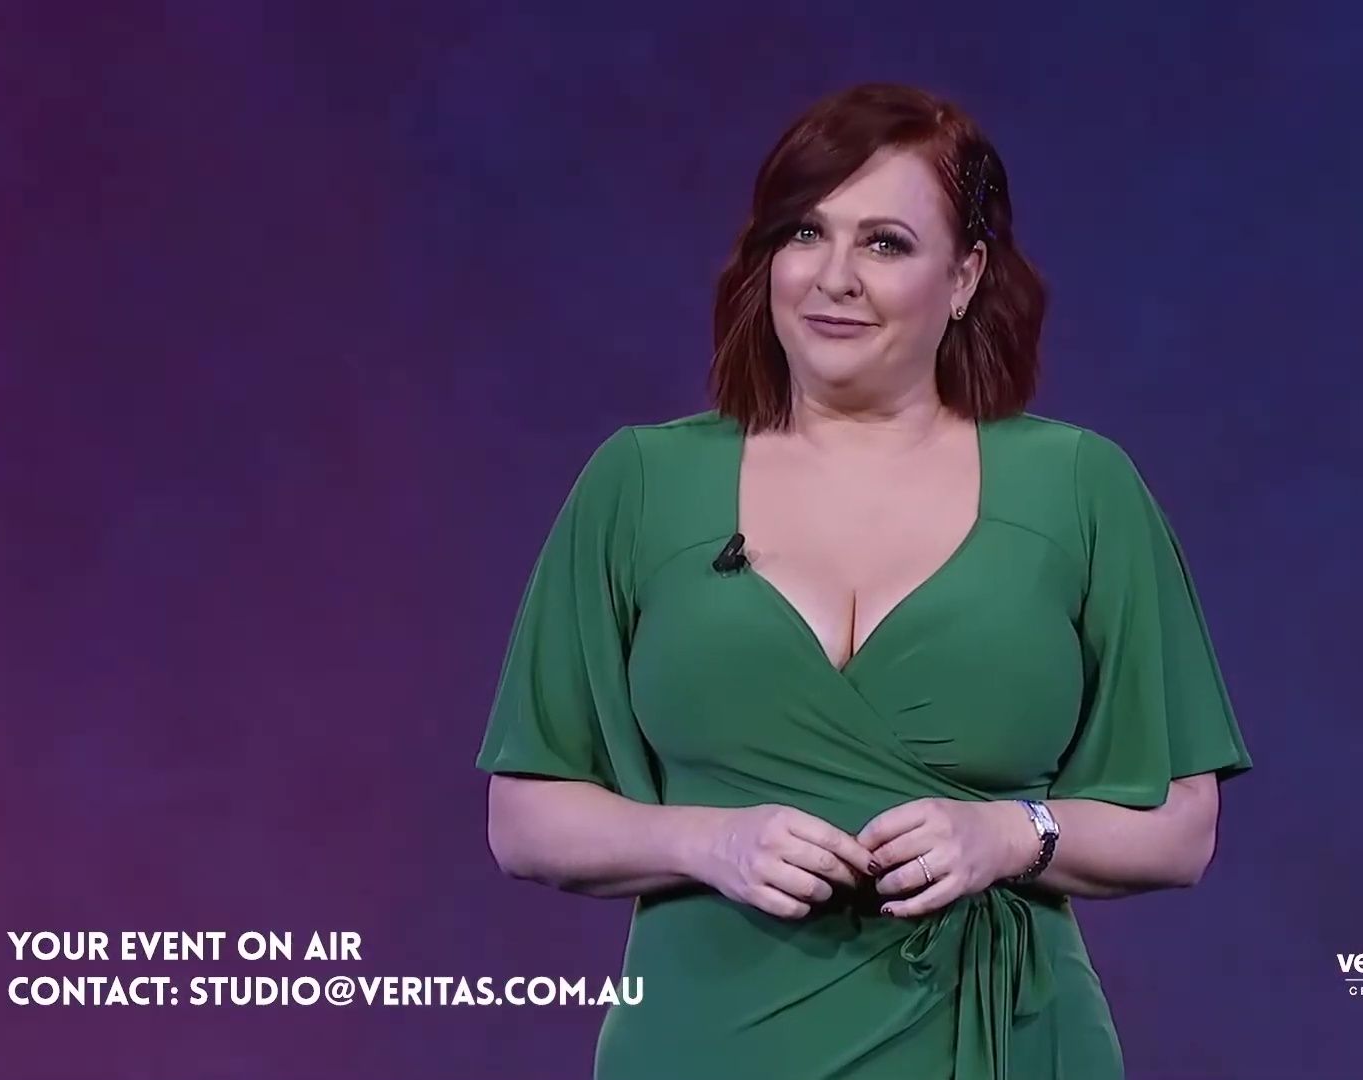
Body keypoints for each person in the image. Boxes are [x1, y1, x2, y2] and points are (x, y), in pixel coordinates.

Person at [475, 82, 1253, 1080]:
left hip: (999, 1045)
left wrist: (1010, 834)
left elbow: (1182, 828)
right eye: (805, 232)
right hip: (705, 1047)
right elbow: (525, 818)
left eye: (885, 243)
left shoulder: (1080, 487)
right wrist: (709, 842)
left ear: (965, 276)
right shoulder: (638, 483)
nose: (833, 277)